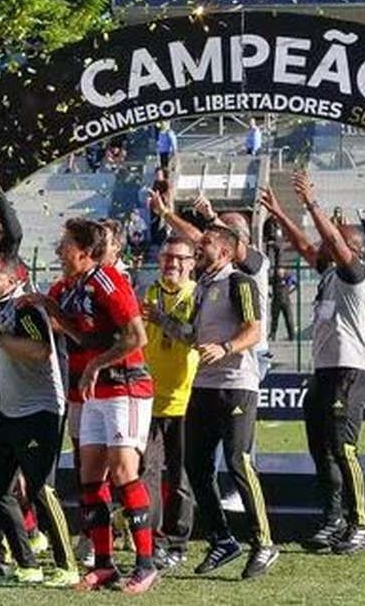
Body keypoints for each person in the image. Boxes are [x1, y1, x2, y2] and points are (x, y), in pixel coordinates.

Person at [36, 218, 158, 592]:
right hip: (96, 392)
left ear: (85, 253)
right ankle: (104, 564)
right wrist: (50, 307)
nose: (59, 250)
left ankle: (146, 563)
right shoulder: (74, 288)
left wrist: (93, 365)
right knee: (89, 477)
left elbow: (136, 338)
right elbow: (83, 335)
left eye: (65, 245)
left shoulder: (107, 280)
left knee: (123, 472)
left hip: (126, 387)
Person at [261, 171, 365, 555]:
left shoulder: (355, 276)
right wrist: (279, 213)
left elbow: (328, 241)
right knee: (321, 449)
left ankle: (362, 522)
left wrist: (312, 203)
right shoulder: (329, 274)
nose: (326, 244)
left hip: (348, 372)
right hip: (323, 373)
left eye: (338, 240)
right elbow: (307, 245)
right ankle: (333, 519)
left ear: (351, 249)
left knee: (344, 448)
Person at [0, 253, 77, 587]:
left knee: (40, 490)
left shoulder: (25, 308)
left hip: (40, 411)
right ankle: (27, 563)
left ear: (13, 278)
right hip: (8, 413)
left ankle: (67, 565)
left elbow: (40, 351)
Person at [185, 225, 278, 579]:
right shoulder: (202, 287)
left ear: (224, 252)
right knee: (196, 465)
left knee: (239, 462)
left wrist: (225, 348)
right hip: (204, 386)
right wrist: (160, 321)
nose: (199, 245)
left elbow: (254, 331)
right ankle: (222, 540)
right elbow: (192, 336)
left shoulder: (240, 282)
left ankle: (264, 543)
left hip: (237, 385)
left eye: (205, 242)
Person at [140, 236, 198, 571]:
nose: (171, 264)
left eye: (179, 258)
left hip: (185, 399)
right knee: (147, 473)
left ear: (192, 262)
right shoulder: (148, 292)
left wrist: (161, 319)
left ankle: (178, 542)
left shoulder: (197, 294)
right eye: (166, 258)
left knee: (180, 478)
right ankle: (153, 541)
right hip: (148, 397)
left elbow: (193, 336)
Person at [269, 266, 296, 341]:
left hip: (286, 302)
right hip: (276, 301)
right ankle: (272, 335)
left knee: (289, 319)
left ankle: (292, 336)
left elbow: (295, 284)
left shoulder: (288, 278)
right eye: (278, 269)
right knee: (274, 320)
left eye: (281, 269)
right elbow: (265, 283)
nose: (279, 271)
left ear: (284, 270)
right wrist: (270, 294)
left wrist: (289, 292)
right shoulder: (274, 278)